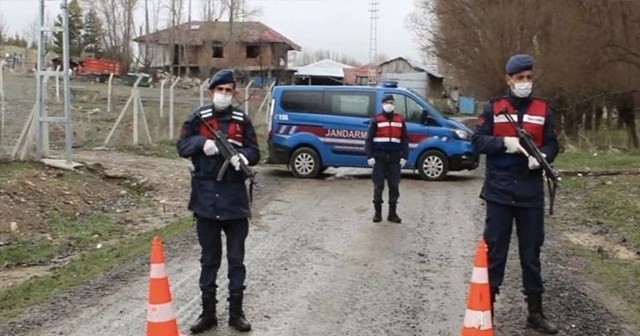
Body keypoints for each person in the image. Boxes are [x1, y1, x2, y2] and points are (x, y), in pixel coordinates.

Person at [471, 54, 559, 334]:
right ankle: (487, 311)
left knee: (531, 254)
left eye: (529, 77)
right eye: (520, 78)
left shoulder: (543, 109)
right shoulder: (494, 108)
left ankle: (535, 312)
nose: (525, 83)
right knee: (496, 253)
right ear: (508, 79)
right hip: (499, 191)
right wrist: (502, 143)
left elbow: (554, 144)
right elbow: (477, 141)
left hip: (530, 192)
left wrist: (543, 156)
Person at [176, 69, 260, 334]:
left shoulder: (241, 120)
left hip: (234, 200)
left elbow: (255, 151)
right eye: (219, 89)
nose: (224, 95)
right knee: (209, 259)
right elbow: (181, 146)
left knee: (236, 259)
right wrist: (202, 143)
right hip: (205, 199)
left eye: (228, 90)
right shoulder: (198, 118)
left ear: (233, 92)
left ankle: (237, 314)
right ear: (211, 90)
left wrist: (244, 157)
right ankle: (208, 314)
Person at [364, 94, 409, 224]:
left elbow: (404, 139)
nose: (389, 104)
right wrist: (370, 156)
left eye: (391, 102)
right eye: (387, 102)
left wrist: (405, 156)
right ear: (383, 104)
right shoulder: (377, 119)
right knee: (379, 185)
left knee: (394, 186)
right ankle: (377, 213)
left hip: (395, 158)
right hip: (379, 158)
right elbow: (369, 140)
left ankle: (392, 213)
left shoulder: (400, 119)